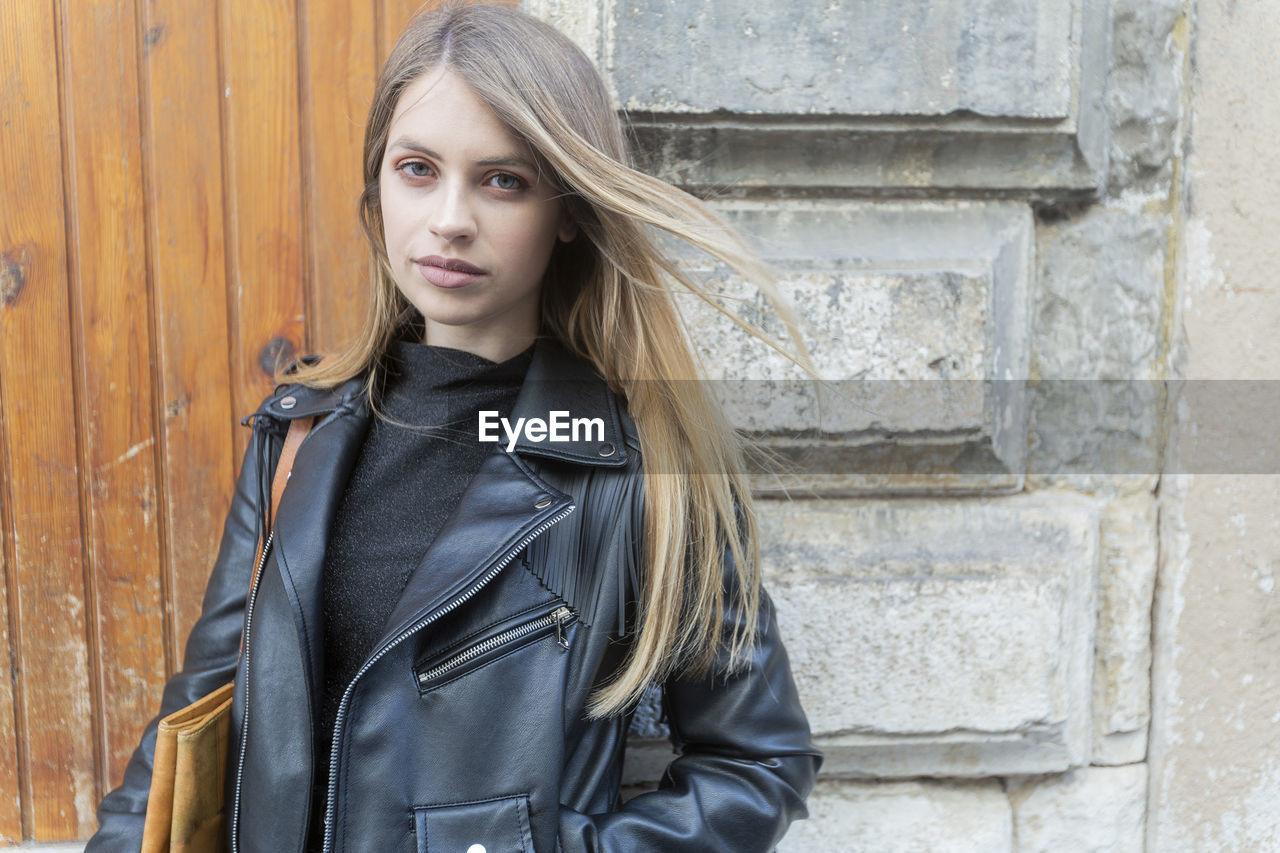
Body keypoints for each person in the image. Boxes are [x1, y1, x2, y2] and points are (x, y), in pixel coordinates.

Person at [87, 2, 820, 851]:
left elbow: (759, 761)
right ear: (379, 185)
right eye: (418, 169)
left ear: (569, 209)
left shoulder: (646, 465)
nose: (449, 220)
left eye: (502, 180)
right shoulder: (299, 434)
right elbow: (202, 708)